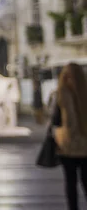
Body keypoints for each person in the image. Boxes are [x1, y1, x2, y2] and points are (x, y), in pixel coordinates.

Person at [52, 63, 87, 210]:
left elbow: (55, 120)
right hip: (72, 146)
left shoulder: (60, 94)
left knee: (72, 182)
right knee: (79, 182)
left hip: (70, 145)